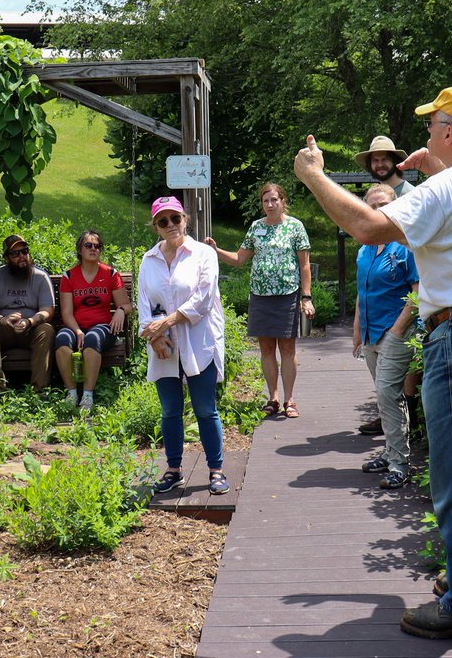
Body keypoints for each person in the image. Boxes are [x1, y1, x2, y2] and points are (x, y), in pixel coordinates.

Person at [294, 86, 452, 640]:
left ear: (450, 133)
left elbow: (367, 227)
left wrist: (313, 175)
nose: (426, 136)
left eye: (433, 128)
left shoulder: (451, 186)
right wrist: (436, 170)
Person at [138, 197, 230, 496]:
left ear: (185, 219)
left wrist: (164, 325)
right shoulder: (148, 259)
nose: (170, 226)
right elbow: (143, 304)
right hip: (163, 346)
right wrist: (154, 336)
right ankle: (174, 469)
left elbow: (202, 300)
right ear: (156, 227)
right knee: (170, 411)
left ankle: (216, 470)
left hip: (197, 341)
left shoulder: (203, 254)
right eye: (163, 221)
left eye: (174, 219)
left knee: (205, 409)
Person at [205, 182, 313, 418]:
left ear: (283, 201)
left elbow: (304, 265)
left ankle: (290, 399)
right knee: (265, 348)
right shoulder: (256, 227)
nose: (270, 204)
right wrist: (216, 249)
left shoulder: (295, 227)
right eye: (266, 201)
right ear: (262, 204)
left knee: (287, 347)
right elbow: (239, 259)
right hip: (260, 296)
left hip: (287, 294)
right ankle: (273, 398)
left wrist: (306, 297)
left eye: (275, 200)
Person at [352, 184, 419, 490]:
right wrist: (357, 332)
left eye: (384, 205)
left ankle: (400, 464)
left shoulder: (406, 245)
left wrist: (397, 330)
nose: (378, 211)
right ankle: (391, 452)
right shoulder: (365, 247)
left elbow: (419, 292)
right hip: (369, 333)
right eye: (373, 206)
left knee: (388, 394)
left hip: (396, 332)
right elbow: (361, 293)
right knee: (384, 397)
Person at [353, 135, 415, 435]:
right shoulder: (376, 200)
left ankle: (409, 426)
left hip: (405, 311)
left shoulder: (411, 194)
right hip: (375, 317)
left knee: (407, 375)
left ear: (394, 160)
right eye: (374, 160)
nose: (379, 164)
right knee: (386, 384)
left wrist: (400, 327)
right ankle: (392, 422)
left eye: (383, 158)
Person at [54, 230, 134, 410]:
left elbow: (127, 305)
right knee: (62, 340)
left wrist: (121, 310)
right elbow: (67, 314)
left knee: (93, 338)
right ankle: (72, 393)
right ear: (79, 250)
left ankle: (88, 396)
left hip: (103, 327)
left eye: (97, 246)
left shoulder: (111, 274)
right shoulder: (69, 277)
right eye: (88, 245)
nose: (93, 249)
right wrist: (77, 331)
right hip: (76, 326)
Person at [0, 234, 56, 393]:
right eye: (15, 253)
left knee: (46, 330)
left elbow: (48, 310)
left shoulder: (41, 277)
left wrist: (30, 322)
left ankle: (40, 391)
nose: (22, 256)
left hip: (30, 330)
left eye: (24, 251)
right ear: (7, 257)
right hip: (4, 329)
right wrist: (1, 319)